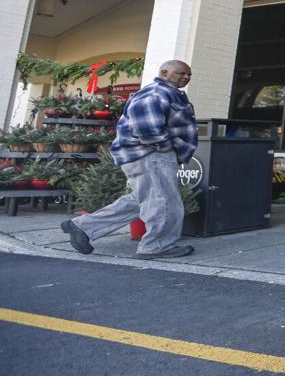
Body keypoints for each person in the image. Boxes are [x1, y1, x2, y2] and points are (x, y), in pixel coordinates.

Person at [61, 60, 199, 260]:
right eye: (181, 73)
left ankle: (82, 226)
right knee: (164, 201)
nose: (185, 77)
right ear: (164, 72)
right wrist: (168, 148)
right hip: (150, 155)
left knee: (144, 199)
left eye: (188, 74)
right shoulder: (155, 93)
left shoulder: (169, 93)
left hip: (151, 155)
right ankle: (157, 246)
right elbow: (147, 131)